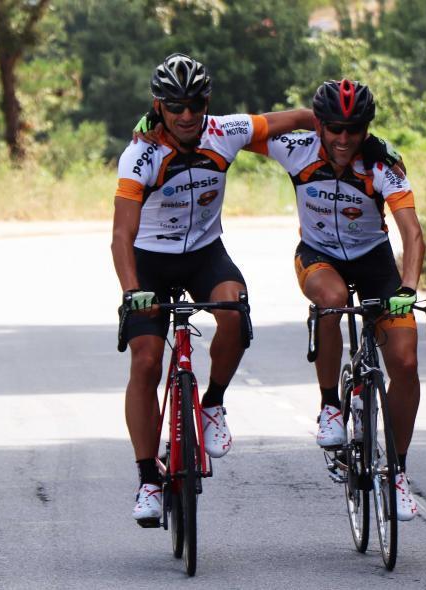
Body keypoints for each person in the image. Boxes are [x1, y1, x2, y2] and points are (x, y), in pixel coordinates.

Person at [112, 53, 313, 525]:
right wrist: (130, 291)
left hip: (205, 254)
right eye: (174, 105)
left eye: (194, 104)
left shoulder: (225, 132)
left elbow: (294, 120)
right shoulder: (140, 155)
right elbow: (121, 235)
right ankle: (147, 477)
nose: (185, 115)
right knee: (145, 361)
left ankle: (213, 404)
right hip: (150, 262)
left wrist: (341, 126)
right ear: (158, 106)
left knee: (235, 312)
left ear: (207, 103)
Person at [247, 79, 425, 521]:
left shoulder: (384, 165)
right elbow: (236, 133)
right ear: (320, 125)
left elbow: (412, 233)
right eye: (334, 128)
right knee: (332, 298)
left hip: (375, 263)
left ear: (367, 128)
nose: (343, 139)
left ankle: (398, 472)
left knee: (404, 362)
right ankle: (330, 406)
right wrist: (162, 129)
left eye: (354, 129)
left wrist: (406, 290)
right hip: (319, 257)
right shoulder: (298, 149)